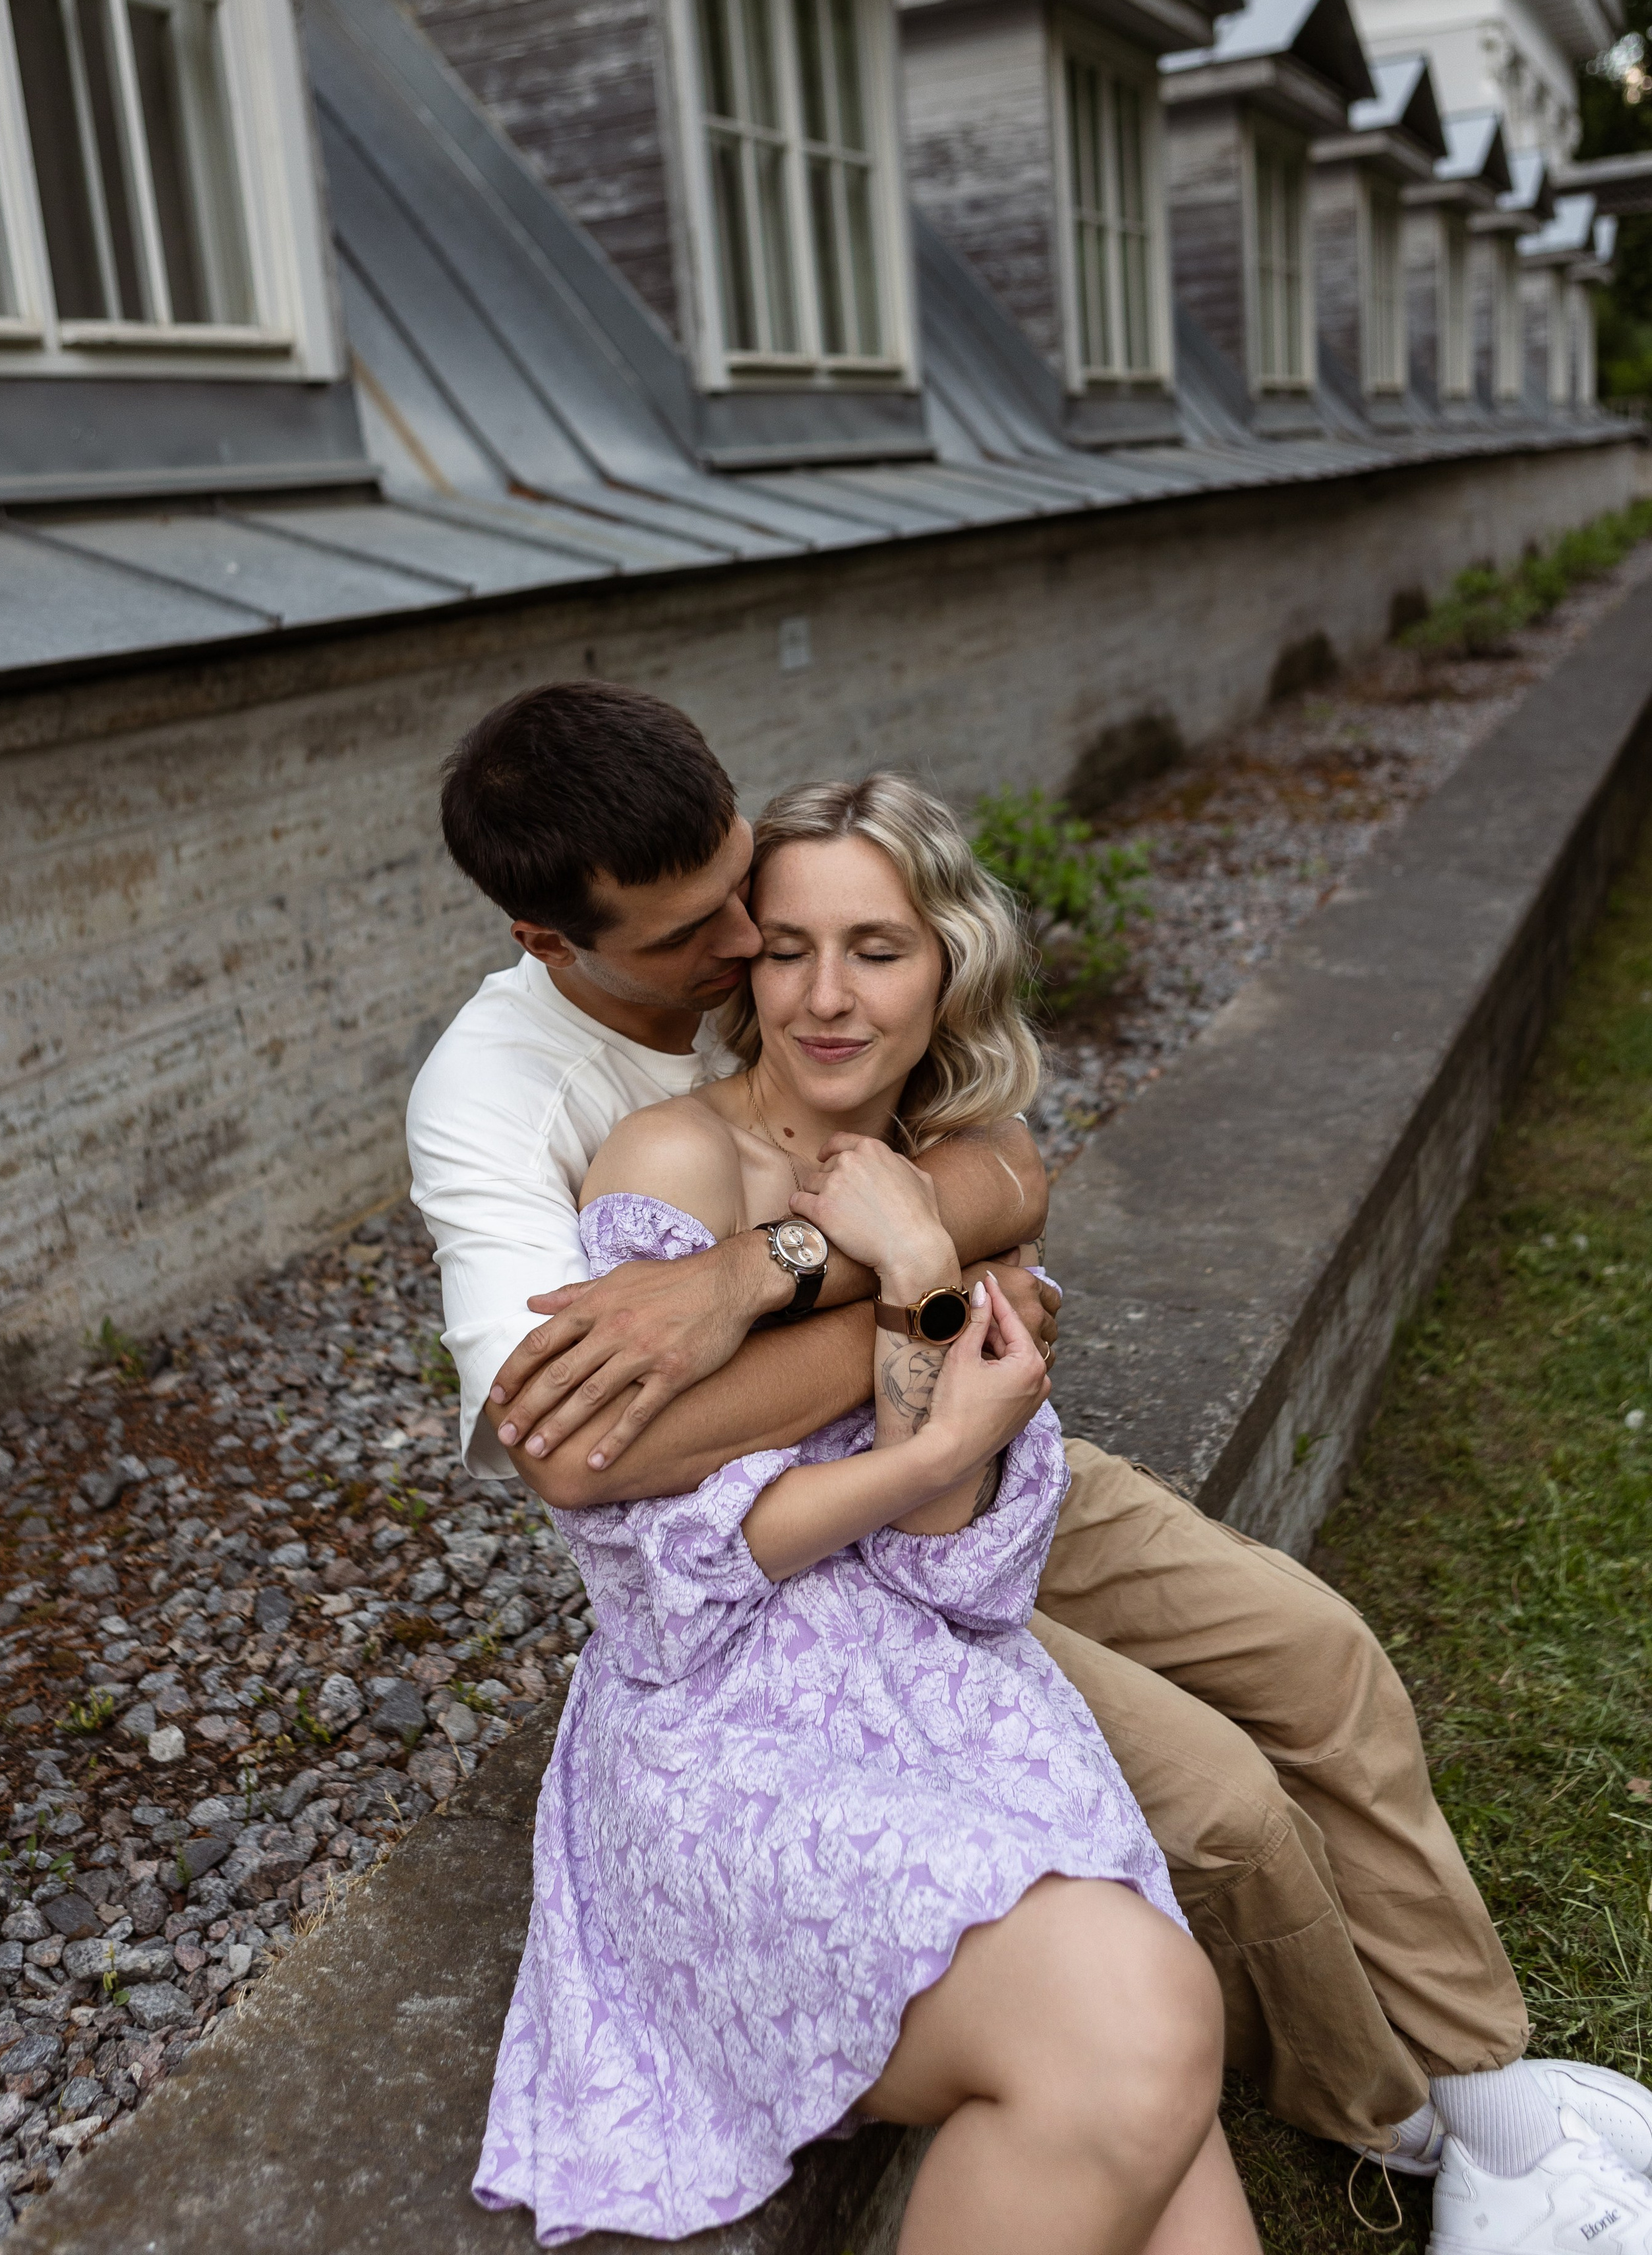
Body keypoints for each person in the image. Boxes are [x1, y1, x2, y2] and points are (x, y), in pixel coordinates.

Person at [409, 682, 1652, 2251]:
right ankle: (1386, 2114)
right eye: (721, 937)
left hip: (970, 1473)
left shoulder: (797, 968)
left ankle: (1492, 2097)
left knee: (1318, 1657)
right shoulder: (506, 1104)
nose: (755, 958)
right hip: (819, 1541)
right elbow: (590, 1465)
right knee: (1218, 1806)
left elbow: (998, 1174)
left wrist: (801, 1269)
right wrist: (912, 1316)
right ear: (557, 947)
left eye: (763, 901)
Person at [472, 773, 1261, 2252]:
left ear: (946, 962)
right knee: (1145, 2020)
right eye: (786, 950)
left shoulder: (942, 1175)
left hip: (939, 1689)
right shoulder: (670, 1164)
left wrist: (914, 1259)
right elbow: (646, 1572)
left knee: (1162, 2103)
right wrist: (904, 1428)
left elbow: (956, 1555)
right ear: (743, 964)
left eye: (877, 950)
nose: (826, 998)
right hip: (719, 1732)